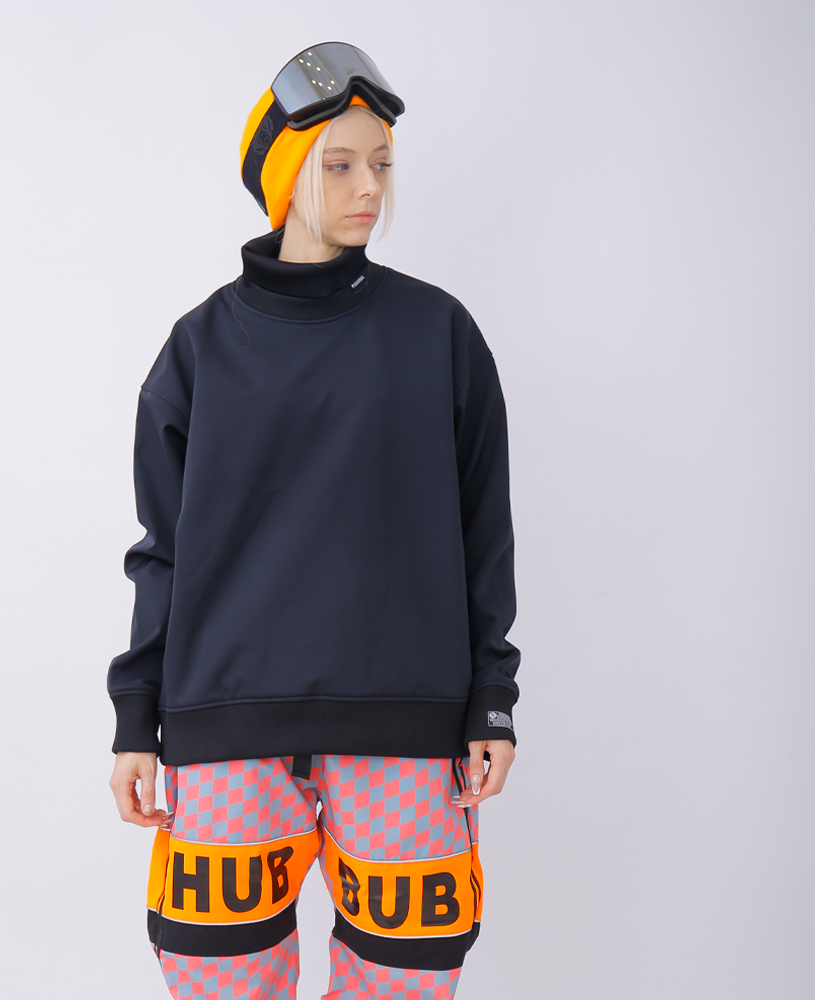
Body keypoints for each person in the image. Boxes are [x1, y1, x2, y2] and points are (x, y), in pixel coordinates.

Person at [107, 41, 521, 1000]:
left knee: (405, 984)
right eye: (339, 164)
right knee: (219, 982)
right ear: (286, 176)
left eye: (381, 163)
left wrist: (492, 695)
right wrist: (136, 718)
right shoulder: (199, 350)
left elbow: (483, 533)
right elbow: (162, 550)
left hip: (407, 726)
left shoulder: (439, 335)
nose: (369, 187)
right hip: (226, 726)